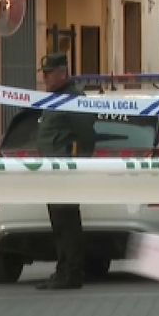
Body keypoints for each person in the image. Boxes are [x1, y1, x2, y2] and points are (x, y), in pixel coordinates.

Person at [34, 53, 96, 291]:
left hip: (65, 170)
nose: (46, 78)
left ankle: (71, 272)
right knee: (59, 223)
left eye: (49, 74)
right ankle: (63, 270)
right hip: (52, 170)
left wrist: (77, 164)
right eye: (44, 74)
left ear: (63, 73)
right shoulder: (55, 99)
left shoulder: (74, 99)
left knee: (67, 223)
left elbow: (86, 135)